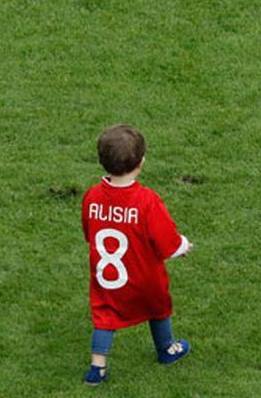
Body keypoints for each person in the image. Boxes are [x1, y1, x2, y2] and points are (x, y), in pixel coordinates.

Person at [80, 125, 193, 385]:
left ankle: (97, 368)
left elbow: (89, 231)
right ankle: (167, 349)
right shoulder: (146, 200)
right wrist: (182, 246)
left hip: (107, 278)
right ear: (141, 162)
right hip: (144, 275)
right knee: (158, 307)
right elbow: (165, 239)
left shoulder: (92, 196)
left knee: (104, 315)